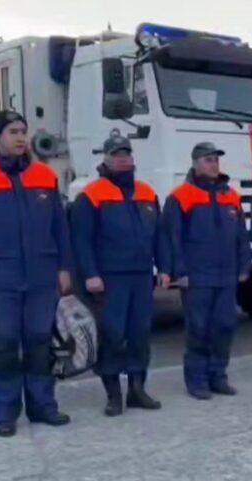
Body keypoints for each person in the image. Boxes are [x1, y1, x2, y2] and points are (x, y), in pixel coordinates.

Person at [0, 110, 73, 437]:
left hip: (41, 276)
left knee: (39, 343)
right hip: (1, 277)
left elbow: (59, 228)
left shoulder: (45, 176)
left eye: (23, 131)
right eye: (13, 132)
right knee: (4, 345)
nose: (21, 137)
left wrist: (64, 267)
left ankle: (43, 406)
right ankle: (5, 412)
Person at [72, 135, 164, 416]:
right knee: (112, 335)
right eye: (116, 154)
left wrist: (164, 268)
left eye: (126, 153)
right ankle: (113, 395)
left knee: (140, 334)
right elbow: (81, 240)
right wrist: (90, 274)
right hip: (109, 279)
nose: (122, 158)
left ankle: (137, 390)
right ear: (106, 159)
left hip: (141, 276)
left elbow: (159, 236)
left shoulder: (147, 193)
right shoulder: (91, 195)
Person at [162, 142, 252, 399]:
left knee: (225, 326)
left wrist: (244, 264)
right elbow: (172, 238)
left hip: (226, 275)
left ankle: (218, 376)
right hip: (197, 276)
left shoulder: (230, 195)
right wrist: (179, 271)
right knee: (198, 329)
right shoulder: (180, 197)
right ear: (195, 163)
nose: (214, 164)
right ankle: (197, 380)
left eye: (215, 160)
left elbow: (241, 235)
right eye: (208, 160)